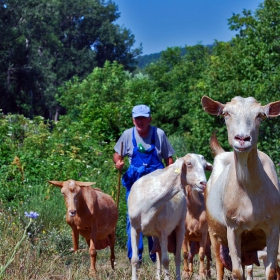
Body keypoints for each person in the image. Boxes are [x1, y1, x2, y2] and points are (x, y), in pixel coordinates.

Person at [113, 104, 174, 263]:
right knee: (133, 220)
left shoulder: (159, 134)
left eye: (143, 118)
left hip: (156, 185)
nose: (140, 121)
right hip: (135, 185)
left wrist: (169, 176)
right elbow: (117, 154)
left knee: (157, 218)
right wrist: (118, 162)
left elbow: (169, 159)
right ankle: (135, 257)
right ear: (133, 120)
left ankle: (157, 256)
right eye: (137, 118)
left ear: (149, 119)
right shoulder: (127, 135)